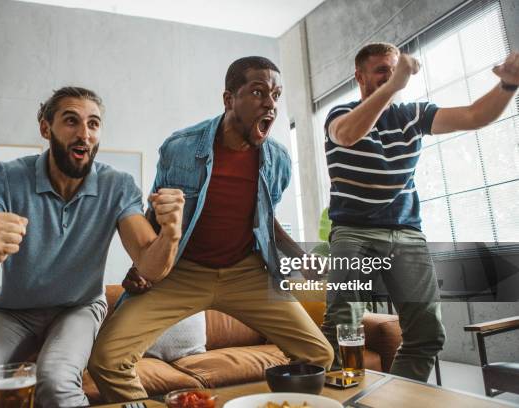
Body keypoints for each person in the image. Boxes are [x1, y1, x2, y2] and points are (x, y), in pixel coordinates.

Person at [88, 56, 334, 403]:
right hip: (183, 272)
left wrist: (301, 257)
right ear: (228, 99)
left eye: (276, 95)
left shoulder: (277, 158)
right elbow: (156, 214)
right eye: (258, 91)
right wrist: (141, 269)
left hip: (245, 271)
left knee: (319, 355)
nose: (270, 103)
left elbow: (266, 221)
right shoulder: (181, 148)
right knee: (107, 360)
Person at [0, 86, 185, 407]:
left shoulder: (118, 185)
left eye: (93, 124)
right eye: (71, 121)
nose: (84, 133)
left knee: (55, 383)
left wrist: (171, 233)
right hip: (13, 311)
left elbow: (150, 266)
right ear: (45, 127)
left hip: (79, 308)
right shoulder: (5, 178)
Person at [322, 43, 519, 381]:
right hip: (353, 232)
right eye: (382, 70)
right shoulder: (341, 112)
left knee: (427, 335)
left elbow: (473, 116)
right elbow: (348, 135)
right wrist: (393, 86)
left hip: (407, 234)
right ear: (360, 76)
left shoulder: (413, 115)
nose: (390, 75)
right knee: (343, 328)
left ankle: (391, 404)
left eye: (395, 69)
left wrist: (508, 86)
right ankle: (341, 398)